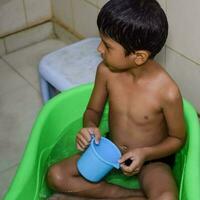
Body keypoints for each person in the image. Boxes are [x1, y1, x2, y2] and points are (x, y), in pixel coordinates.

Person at [47, 0, 186, 199]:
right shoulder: (106, 72)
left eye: (108, 46)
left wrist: (145, 153)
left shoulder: (167, 92)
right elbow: (93, 112)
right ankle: (128, 195)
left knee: (166, 197)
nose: (99, 49)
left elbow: (177, 139)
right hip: (108, 150)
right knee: (56, 176)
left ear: (138, 56)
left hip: (151, 160)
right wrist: (90, 128)